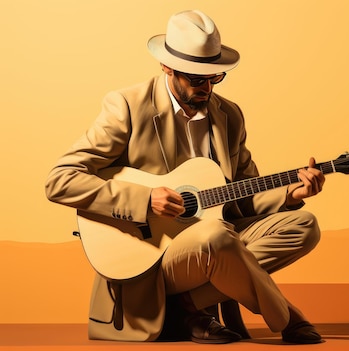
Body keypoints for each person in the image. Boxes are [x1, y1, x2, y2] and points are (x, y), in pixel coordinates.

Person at [45, 9, 325, 344]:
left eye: (215, 77)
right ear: (167, 66)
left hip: (213, 244)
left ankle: (186, 305)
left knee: (303, 226)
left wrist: (290, 195)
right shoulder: (127, 107)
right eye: (196, 78)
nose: (207, 86)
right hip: (155, 255)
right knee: (218, 236)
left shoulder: (229, 116)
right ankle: (286, 315)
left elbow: (239, 199)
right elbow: (60, 180)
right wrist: (145, 200)